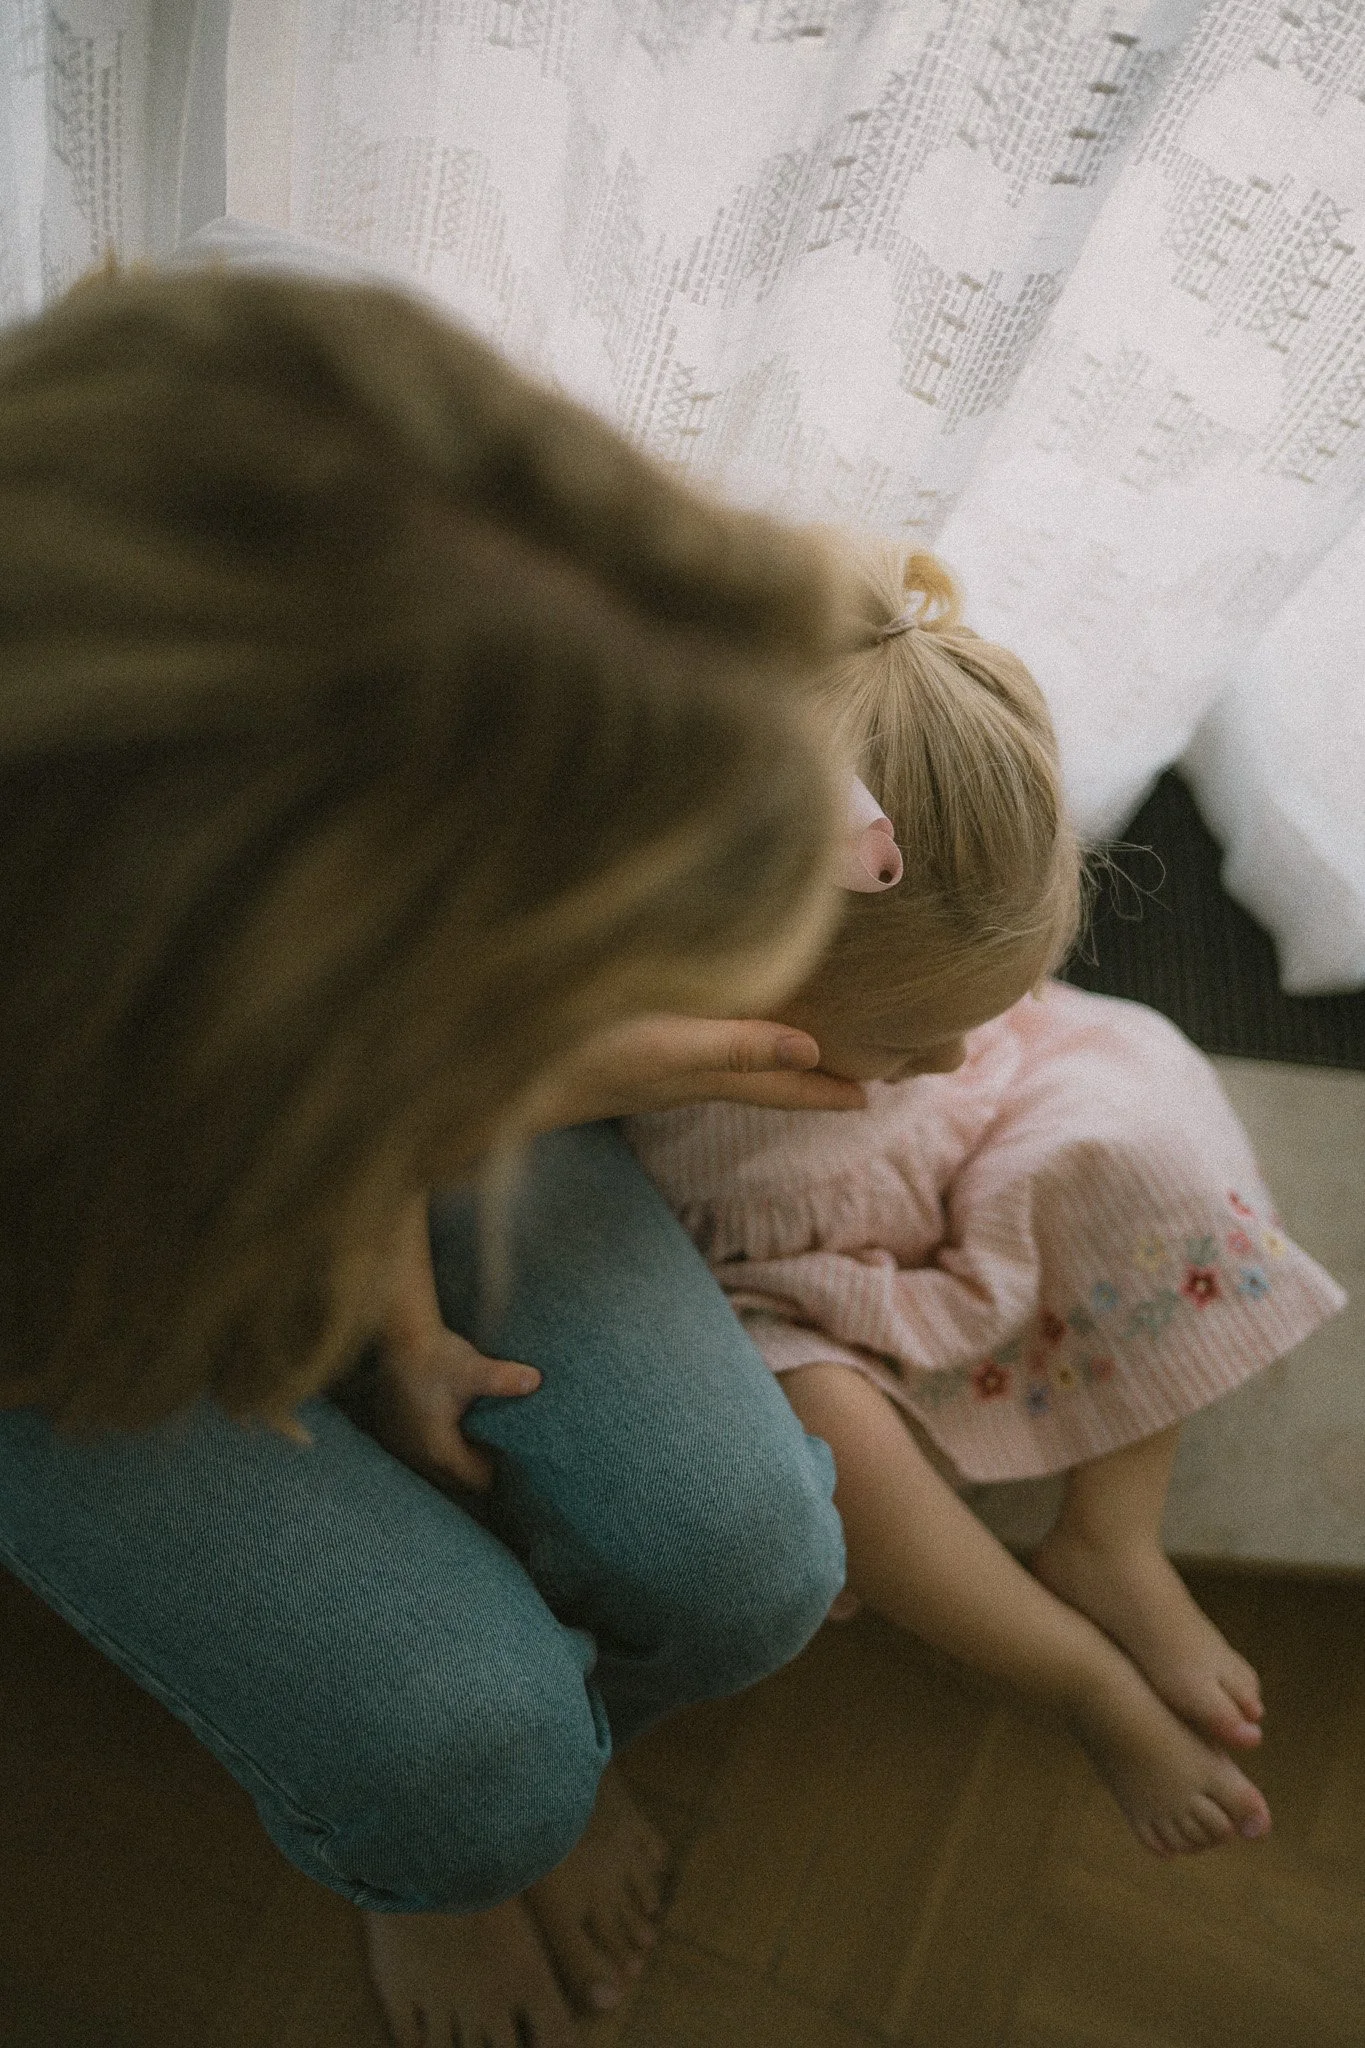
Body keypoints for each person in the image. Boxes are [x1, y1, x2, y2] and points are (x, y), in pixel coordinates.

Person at [0, 266, 878, 2048]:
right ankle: (465, 1849)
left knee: (749, 1560)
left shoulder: (232, 448)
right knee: (457, 1762)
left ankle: (542, 1777)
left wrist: (420, 1167)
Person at [625, 544, 1347, 1862]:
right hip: (788, 1270)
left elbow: (961, 1049)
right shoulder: (655, 986)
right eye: (919, 1031)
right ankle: (1079, 1675)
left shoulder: (952, 1034)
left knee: (1142, 1112)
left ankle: (1109, 1537)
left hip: (972, 1147)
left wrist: (952, 1038)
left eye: (979, 1006)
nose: (955, 1047)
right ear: (739, 980)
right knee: (825, 1443)